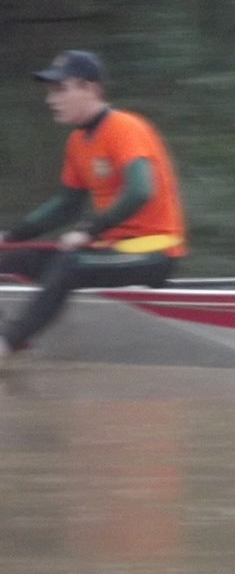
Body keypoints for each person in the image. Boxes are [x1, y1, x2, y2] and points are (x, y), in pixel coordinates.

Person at [0, 50, 186, 360]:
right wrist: (9, 238)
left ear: (90, 89)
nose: (51, 100)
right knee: (15, 261)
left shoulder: (125, 127)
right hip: (111, 252)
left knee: (69, 264)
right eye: (50, 91)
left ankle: (9, 343)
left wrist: (88, 231)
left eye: (61, 90)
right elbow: (65, 205)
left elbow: (141, 190)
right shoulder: (77, 142)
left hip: (155, 253)